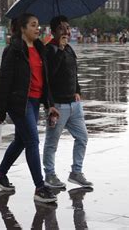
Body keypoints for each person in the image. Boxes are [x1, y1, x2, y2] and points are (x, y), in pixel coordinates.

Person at [0, 13, 59, 203]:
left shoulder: (39, 48)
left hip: (36, 101)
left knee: (21, 140)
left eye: (38, 25)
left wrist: (50, 104)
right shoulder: (14, 50)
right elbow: (4, 82)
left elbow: (46, 81)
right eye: (33, 25)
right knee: (32, 141)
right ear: (22, 28)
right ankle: (40, 186)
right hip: (19, 103)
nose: (38, 29)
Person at [43, 15, 93, 189]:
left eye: (68, 27)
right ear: (53, 31)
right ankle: (49, 175)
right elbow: (49, 76)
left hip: (74, 105)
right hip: (58, 106)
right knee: (52, 142)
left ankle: (76, 172)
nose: (66, 31)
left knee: (82, 137)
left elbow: (73, 72)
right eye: (62, 28)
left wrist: (77, 91)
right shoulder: (49, 50)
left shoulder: (70, 49)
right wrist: (61, 49)